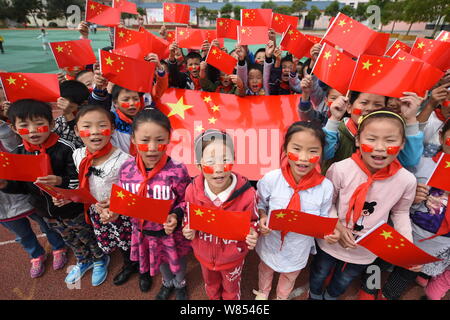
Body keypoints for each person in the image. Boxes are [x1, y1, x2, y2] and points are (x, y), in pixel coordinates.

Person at [308, 109, 418, 300]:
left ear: (402, 144)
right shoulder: (340, 169)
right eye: (372, 138)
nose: (380, 147)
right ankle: (315, 295)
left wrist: (407, 247)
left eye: (390, 140)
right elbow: (326, 202)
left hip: (365, 251)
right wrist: (336, 224)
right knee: (319, 271)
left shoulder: (406, 181)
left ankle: (331, 296)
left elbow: (400, 213)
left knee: (344, 280)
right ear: (358, 140)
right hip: (330, 241)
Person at [0, 99, 108, 286]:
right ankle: (83, 260)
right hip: (46, 212)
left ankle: (99, 258)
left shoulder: (65, 148)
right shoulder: (18, 154)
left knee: (86, 234)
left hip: (72, 208)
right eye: (24, 126)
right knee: (69, 238)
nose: (32, 131)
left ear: (51, 124)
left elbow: (82, 177)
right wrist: (4, 184)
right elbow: (22, 187)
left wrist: (60, 182)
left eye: (39, 124)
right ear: (14, 129)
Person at [109, 108, 192, 299]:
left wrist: (175, 216)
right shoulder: (126, 169)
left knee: (177, 259)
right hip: (144, 232)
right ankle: (167, 282)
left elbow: (186, 200)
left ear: (169, 138)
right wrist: (111, 209)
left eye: (160, 140)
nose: (153, 147)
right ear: (133, 139)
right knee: (160, 259)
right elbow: (124, 201)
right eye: (145, 140)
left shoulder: (177, 170)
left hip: (171, 233)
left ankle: (180, 283)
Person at [253, 121, 337, 300]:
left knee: (289, 277)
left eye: (313, 151)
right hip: (270, 242)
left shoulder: (326, 187)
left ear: (322, 153)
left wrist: (327, 233)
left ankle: (281, 297)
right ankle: (263, 294)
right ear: (285, 149)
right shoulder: (271, 179)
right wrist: (262, 217)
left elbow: (322, 219)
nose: (304, 158)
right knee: (265, 270)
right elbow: (261, 204)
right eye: (296, 149)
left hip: (298, 249)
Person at [182, 130, 259, 300]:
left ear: (234, 159)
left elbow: (253, 221)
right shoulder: (191, 191)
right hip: (204, 256)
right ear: (199, 165)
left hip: (233, 257)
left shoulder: (248, 194)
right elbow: (188, 218)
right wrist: (188, 229)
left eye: (225, 160)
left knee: (231, 291)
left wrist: (253, 232)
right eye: (210, 162)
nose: (219, 169)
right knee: (211, 287)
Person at [73, 105, 137, 287]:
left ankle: (133, 264)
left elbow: (133, 190)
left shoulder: (125, 160)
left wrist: (116, 206)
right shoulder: (77, 155)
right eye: (87, 126)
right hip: (97, 211)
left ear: (113, 128)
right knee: (112, 239)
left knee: (128, 242)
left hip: (123, 213)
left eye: (102, 125)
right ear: (77, 131)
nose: (95, 132)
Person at [0, 119, 67, 278]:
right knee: (22, 235)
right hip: (3, 209)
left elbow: (9, 140)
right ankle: (36, 255)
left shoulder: (11, 145)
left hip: (24, 196)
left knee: (47, 224)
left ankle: (58, 247)